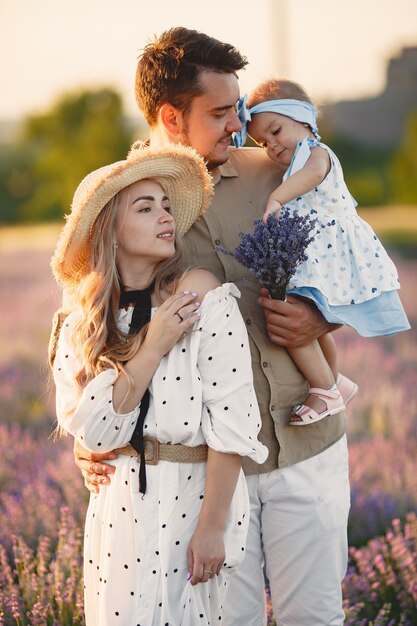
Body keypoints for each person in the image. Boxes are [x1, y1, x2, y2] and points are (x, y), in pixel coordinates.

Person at [70, 27, 352, 626]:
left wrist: (319, 317)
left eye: (240, 107)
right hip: (206, 476)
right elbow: (92, 320)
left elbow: (352, 263)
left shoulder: (276, 175)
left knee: (317, 618)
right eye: (222, 112)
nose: (240, 123)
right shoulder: (127, 203)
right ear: (172, 116)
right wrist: (86, 431)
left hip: (307, 442)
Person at [50, 143, 268, 626]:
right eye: (145, 208)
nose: (165, 217)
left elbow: (231, 423)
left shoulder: (204, 296)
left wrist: (212, 528)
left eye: (166, 206)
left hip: (194, 500)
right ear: (110, 231)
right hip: (118, 505)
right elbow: (98, 435)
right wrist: (152, 346)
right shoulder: (80, 326)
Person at [232, 78, 410, 426]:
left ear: (305, 121)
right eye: (262, 142)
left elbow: (313, 175)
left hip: (330, 254)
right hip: (315, 253)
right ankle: (333, 381)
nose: (271, 146)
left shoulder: (316, 153)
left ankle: (324, 388)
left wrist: (277, 198)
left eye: (276, 131)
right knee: (305, 321)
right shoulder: (293, 161)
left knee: (289, 317)